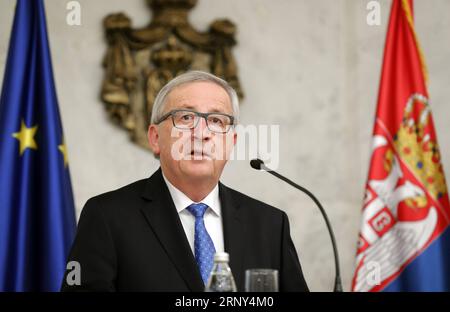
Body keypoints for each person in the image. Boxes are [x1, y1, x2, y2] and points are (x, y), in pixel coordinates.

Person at [61, 71, 309, 292]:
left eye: (216, 120)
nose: (201, 134)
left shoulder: (270, 225)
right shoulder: (107, 217)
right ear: (155, 138)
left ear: (231, 143)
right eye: (186, 118)